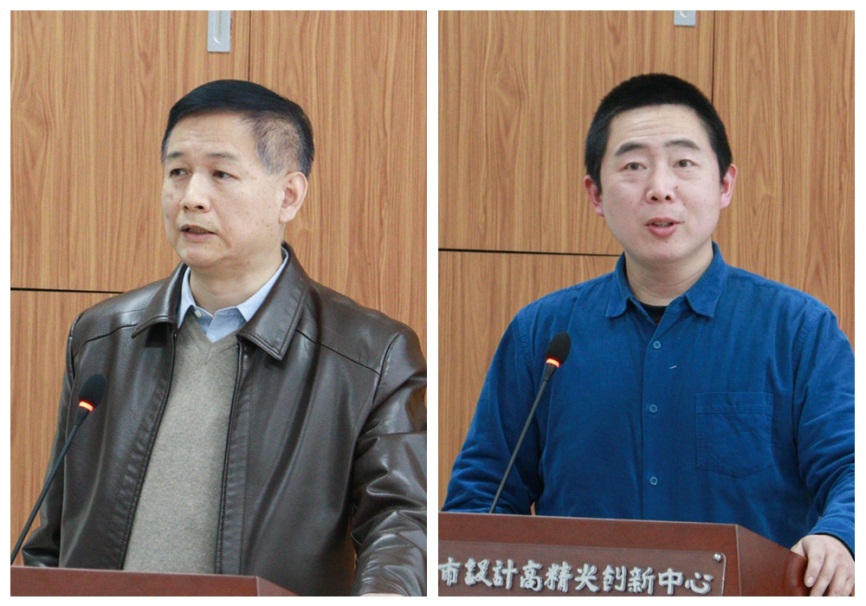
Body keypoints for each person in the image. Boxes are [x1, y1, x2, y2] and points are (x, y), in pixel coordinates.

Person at [443, 73, 853, 596]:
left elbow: (851, 467)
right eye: (633, 166)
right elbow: (484, 493)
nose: (660, 187)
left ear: (725, 185)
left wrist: (838, 536)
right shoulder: (543, 334)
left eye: (684, 163)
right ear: (595, 193)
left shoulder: (799, 330)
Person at [23, 80, 427, 596]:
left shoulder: (371, 356)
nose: (192, 198)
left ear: (288, 196)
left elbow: (401, 526)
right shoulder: (101, 336)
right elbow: (57, 533)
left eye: (221, 174)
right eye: (178, 172)